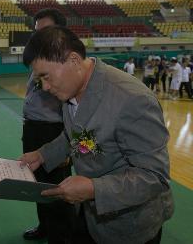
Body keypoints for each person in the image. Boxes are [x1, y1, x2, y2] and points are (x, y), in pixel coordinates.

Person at [20, 26, 174, 244]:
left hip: (129, 225)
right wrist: (43, 155)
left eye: (46, 76)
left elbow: (154, 177)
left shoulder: (132, 100)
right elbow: (80, 135)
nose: (44, 87)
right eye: (39, 80)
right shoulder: (71, 89)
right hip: (91, 214)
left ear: (73, 60)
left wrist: (94, 189)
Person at [22, 8, 75, 243]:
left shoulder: (67, 67)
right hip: (33, 129)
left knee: (59, 187)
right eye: (36, 32)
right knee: (37, 183)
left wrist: (70, 150)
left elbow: (83, 126)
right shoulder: (39, 61)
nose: (38, 36)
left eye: (45, 31)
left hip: (54, 132)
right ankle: (45, 226)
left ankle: (61, 234)